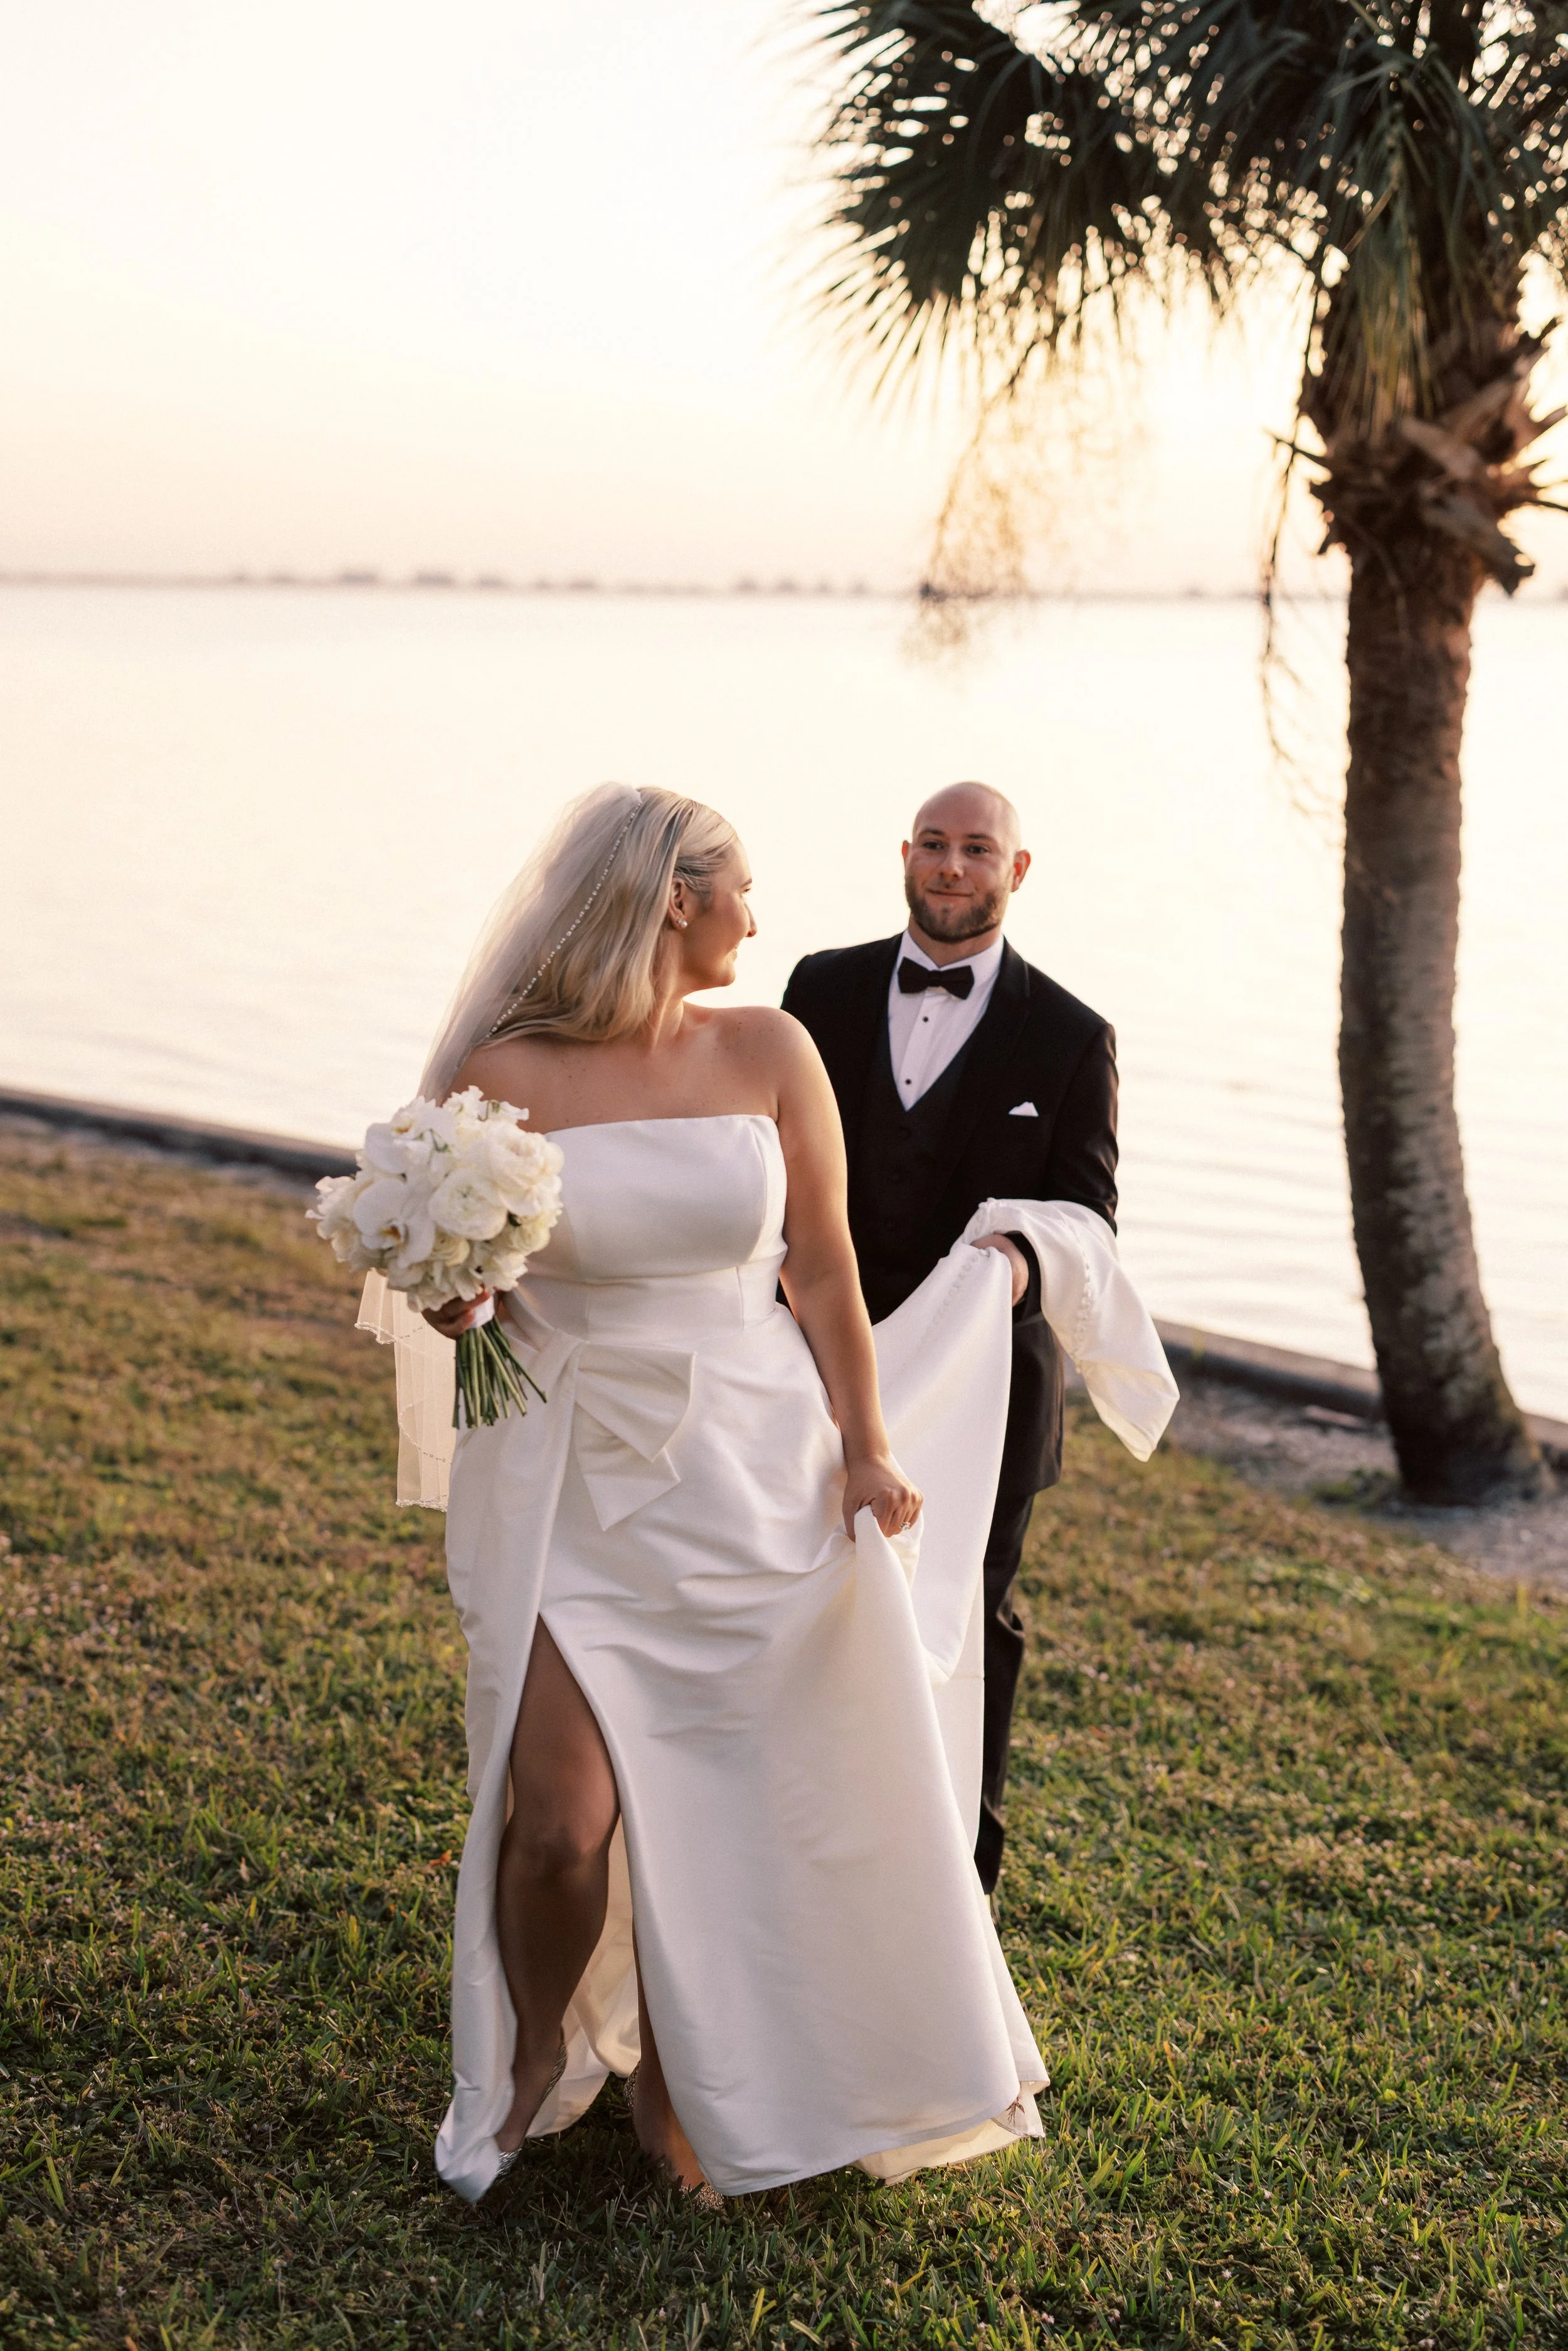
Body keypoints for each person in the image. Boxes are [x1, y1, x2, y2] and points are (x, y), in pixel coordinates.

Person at [357, 782, 1172, 2208]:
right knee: (559, 1817)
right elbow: (463, 1292)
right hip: (572, 1472)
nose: (758, 913)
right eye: (738, 886)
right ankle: (534, 2045)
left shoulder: (774, 1046)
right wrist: (454, 1298)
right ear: (675, 899)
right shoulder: (504, 1066)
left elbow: (825, 1269)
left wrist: (864, 1445)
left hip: (754, 1465)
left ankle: (686, 2081)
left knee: (723, 1802)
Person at [781, 783, 1118, 1897]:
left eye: (978, 849)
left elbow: (1088, 1223)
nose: (952, 867)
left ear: (1018, 871)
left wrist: (1016, 1267)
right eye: (933, 844)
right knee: (800, 1596)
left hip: (990, 1393)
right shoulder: (815, 990)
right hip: (812, 1370)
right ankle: (800, 1846)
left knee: (969, 1620)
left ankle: (954, 1887)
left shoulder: (1073, 1037)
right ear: (906, 856)